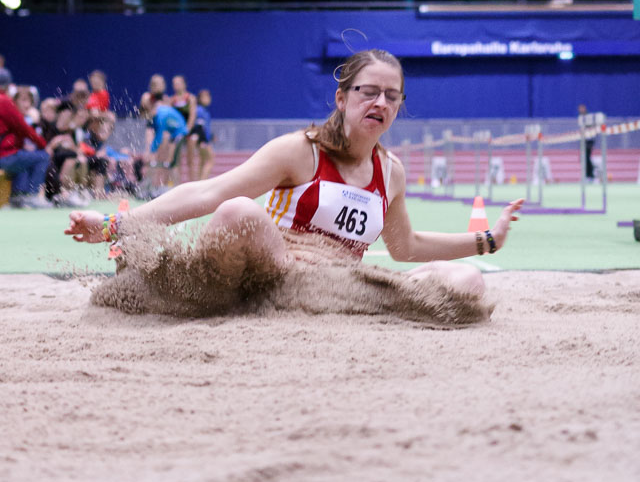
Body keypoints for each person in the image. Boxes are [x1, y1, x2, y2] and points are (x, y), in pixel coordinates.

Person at [65, 50, 523, 316]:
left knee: (468, 282)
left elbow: (405, 248)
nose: (380, 102)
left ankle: (368, 304)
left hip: (340, 285)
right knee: (238, 211)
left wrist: (485, 240)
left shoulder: (392, 172)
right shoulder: (299, 150)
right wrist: (112, 225)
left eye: (391, 95)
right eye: (368, 92)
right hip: (271, 272)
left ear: (400, 106)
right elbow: (209, 192)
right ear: (342, 99)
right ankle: (189, 296)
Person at [0, 68, 50, 208]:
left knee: (23, 161)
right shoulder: (4, 101)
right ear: (8, 85)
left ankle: (18, 197)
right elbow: (24, 129)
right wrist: (44, 145)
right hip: (3, 156)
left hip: (5, 154)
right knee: (43, 156)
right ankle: (33, 196)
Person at [170, 75, 198, 182]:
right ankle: (177, 185)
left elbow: (192, 115)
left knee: (190, 160)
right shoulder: (172, 100)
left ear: (184, 84)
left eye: (178, 83)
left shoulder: (190, 98)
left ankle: (193, 185)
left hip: (189, 131)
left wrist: (186, 130)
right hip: (177, 132)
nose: (176, 85)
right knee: (175, 160)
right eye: (174, 83)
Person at [193, 88, 215, 180]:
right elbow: (198, 127)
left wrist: (211, 136)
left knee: (202, 161)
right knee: (210, 160)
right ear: (200, 98)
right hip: (203, 140)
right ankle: (203, 182)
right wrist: (202, 141)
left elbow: (205, 127)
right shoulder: (199, 111)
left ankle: (199, 181)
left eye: (209, 96)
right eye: (205, 96)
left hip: (204, 139)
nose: (208, 98)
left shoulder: (204, 111)